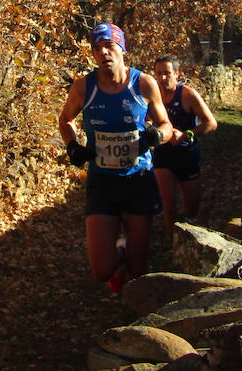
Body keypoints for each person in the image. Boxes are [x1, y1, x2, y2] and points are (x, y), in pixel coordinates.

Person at [58, 22, 172, 293]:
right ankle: (119, 249)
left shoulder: (143, 83)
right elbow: (65, 120)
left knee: (138, 267)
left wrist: (155, 136)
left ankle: (135, 309)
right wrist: (73, 146)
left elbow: (166, 125)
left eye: (109, 46)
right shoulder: (83, 86)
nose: (103, 53)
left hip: (138, 180)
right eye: (97, 48)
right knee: (102, 270)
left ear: (122, 49)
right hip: (102, 182)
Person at [152, 56, 217, 240]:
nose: (162, 78)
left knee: (191, 209)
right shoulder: (152, 95)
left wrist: (187, 135)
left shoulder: (187, 95)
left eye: (167, 73)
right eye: (158, 73)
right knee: (168, 204)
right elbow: (146, 120)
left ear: (177, 74)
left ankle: (192, 242)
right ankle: (172, 244)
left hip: (186, 155)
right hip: (163, 155)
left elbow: (211, 123)